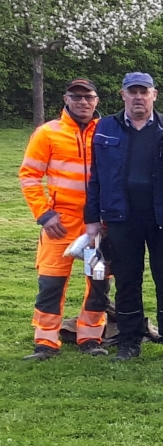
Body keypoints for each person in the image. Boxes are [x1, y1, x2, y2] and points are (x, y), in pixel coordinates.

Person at [87, 72, 163, 361]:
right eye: (133, 92)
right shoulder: (106, 127)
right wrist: (93, 218)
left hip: (162, 218)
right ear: (123, 95)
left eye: (144, 91)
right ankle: (129, 340)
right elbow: (95, 176)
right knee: (127, 280)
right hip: (121, 217)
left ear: (154, 94)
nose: (139, 97)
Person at [21, 78, 106, 359]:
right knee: (51, 283)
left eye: (88, 97)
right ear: (66, 99)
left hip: (99, 222)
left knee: (99, 282)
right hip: (60, 222)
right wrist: (44, 214)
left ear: (96, 100)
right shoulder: (47, 133)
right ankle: (45, 341)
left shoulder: (106, 132)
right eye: (76, 96)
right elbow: (29, 176)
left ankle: (91, 337)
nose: (83, 102)